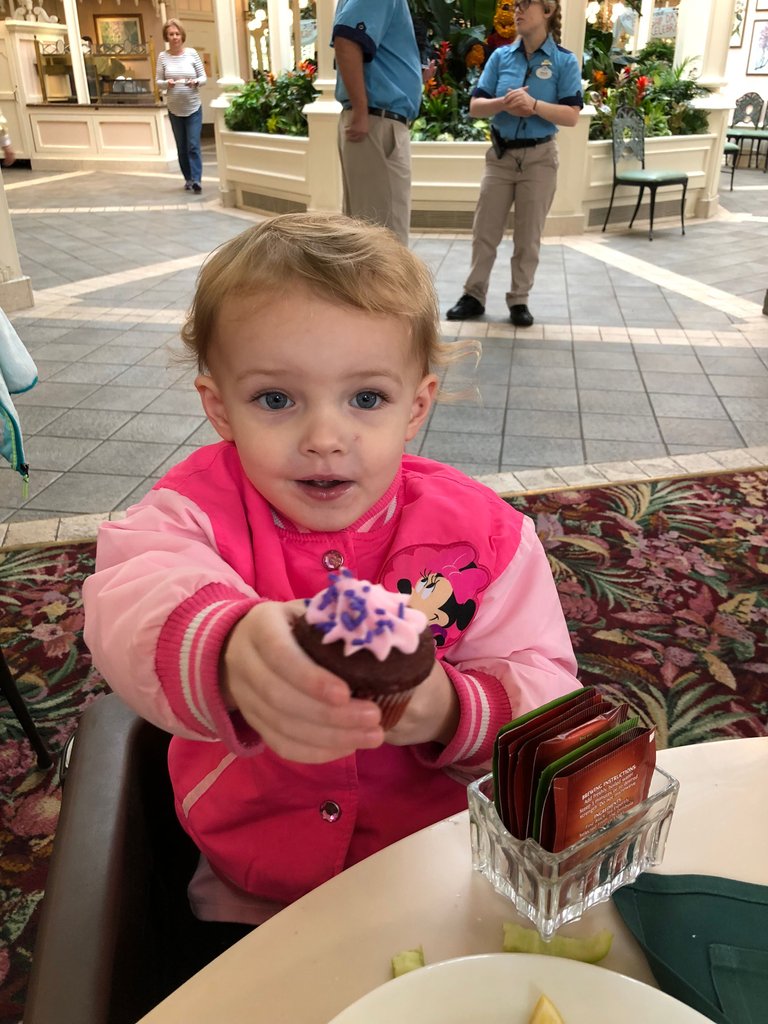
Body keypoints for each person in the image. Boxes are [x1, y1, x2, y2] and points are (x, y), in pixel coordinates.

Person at [82, 212, 580, 929]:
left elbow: (549, 694)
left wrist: (452, 709)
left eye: (366, 399)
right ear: (220, 408)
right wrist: (229, 646)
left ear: (417, 406)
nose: (323, 439)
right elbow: (131, 595)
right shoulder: (192, 512)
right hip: (252, 892)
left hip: (437, 871)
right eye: (276, 400)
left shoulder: (487, 539)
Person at [446, 0, 582, 327]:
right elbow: (476, 106)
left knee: (528, 237)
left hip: (539, 159)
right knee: (484, 231)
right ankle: (473, 295)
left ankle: (519, 299)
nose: (517, 10)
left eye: (525, 4)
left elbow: (571, 115)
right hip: (501, 157)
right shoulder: (500, 57)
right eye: (516, 5)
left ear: (547, 11)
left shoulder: (564, 61)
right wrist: (504, 104)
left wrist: (534, 104)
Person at [332, 0, 423, 246]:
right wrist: (361, 108)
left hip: (374, 121)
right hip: (376, 122)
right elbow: (346, 40)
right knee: (384, 243)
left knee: (365, 239)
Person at [156, 18, 206, 193]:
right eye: (171, 34)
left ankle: (197, 179)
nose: (175, 37)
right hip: (175, 109)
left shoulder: (192, 54)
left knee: (193, 145)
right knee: (182, 147)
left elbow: (203, 78)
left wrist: (195, 82)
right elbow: (158, 81)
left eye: (177, 33)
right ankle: (188, 179)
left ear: (182, 35)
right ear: (167, 37)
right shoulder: (163, 57)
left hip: (193, 107)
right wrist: (166, 83)